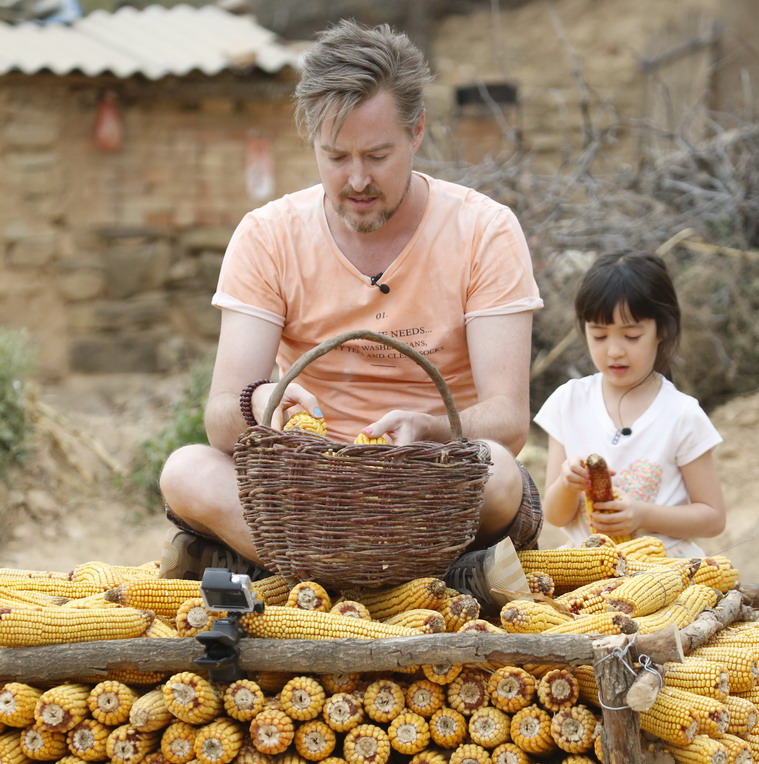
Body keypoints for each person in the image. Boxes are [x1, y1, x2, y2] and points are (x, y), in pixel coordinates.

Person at [158, 18, 543, 604]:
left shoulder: (484, 230)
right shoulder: (268, 235)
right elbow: (219, 421)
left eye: (377, 155)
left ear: (416, 133)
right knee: (185, 470)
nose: (357, 179)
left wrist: (430, 429)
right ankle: (425, 580)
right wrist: (259, 403)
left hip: (428, 480)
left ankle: (297, 574)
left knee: (497, 472)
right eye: (336, 156)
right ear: (311, 139)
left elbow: (509, 420)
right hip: (305, 492)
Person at [534, 249, 725, 557]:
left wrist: (643, 515)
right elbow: (556, 516)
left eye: (632, 336)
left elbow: (713, 518)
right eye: (599, 336)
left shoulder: (682, 414)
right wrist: (568, 484)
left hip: (663, 572)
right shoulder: (568, 401)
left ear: (662, 330)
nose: (614, 352)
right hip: (591, 571)